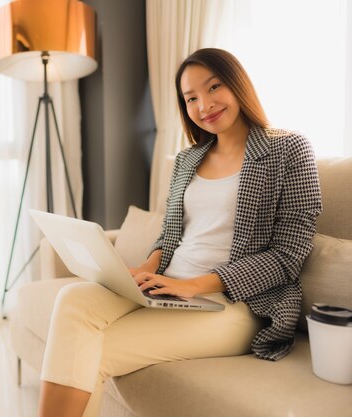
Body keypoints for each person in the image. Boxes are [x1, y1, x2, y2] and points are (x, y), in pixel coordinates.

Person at [37, 48, 323, 417]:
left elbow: (287, 257)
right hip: (168, 287)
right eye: (191, 98)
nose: (204, 105)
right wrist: (148, 268)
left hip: (233, 305)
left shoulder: (288, 149)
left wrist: (195, 285)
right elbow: (170, 235)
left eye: (214, 87)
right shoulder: (188, 159)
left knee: (84, 352)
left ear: (239, 85)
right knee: (74, 298)